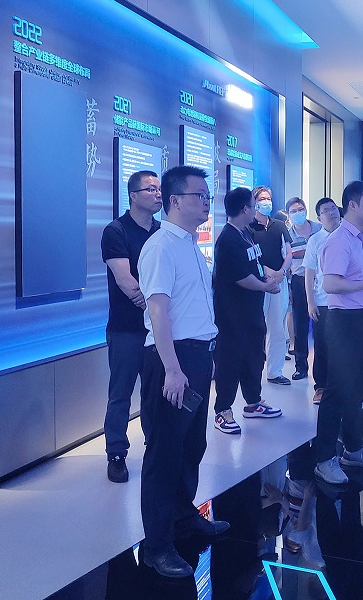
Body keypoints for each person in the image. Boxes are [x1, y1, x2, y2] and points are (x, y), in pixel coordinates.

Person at [137, 165, 229, 578]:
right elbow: (157, 311)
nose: (207, 202)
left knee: (192, 445)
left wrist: (207, 355)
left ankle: (183, 517)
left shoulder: (190, 244)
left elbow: (193, 307)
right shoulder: (161, 247)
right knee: (164, 453)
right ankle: (156, 546)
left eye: (208, 196)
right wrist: (173, 370)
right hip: (170, 360)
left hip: (196, 356)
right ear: (175, 201)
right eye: (199, 196)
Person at [314, 181, 363, 485]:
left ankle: (353, 449)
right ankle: (324, 459)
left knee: (357, 389)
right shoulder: (340, 240)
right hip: (344, 322)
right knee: (337, 391)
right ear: (353, 205)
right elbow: (331, 284)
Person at [101, 170, 162, 483]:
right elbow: (125, 281)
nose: (158, 194)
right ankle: (116, 453)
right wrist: (155, 307)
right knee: (121, 394)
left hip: (157, 330)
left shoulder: (162, 232)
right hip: (126, 328)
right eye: (150, 189)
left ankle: (156, 447)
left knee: (154, 393)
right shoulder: (116, 231)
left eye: (159, 189)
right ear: (133, 195)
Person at [211, 187, 285, 435]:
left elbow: (255, 265)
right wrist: (266, 286)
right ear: (245, 209)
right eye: (254, 205)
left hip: (252, 312)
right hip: (232, 316)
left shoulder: (246, 234)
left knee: (253, 357)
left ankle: (253, 402)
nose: (257, 209)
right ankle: (223, 411)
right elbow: (239, 276)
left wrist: (267, 278)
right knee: (230, 362)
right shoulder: (228, 239)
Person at [250, 186, 293, 385]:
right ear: (255, 202)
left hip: (279, 282)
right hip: (257, 283)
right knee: (256, 328)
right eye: (262, 198)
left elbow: (288, 252)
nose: (266, 201)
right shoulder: (248, 226)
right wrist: (267, 272)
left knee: (277, 328)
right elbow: (250, 255)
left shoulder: (279, 225)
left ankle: (275, 371)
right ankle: (252, 372)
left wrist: (281, 272)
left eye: (268, 198)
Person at [303, 197, 341, 405]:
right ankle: (321, 387)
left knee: (346, 345)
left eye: (334, 208)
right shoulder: (315, 240)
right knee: (323, 346)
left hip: (347, 301)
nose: (332, 212)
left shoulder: (350, 235)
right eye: (326, 210)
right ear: (319, 217)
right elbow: (309, 273)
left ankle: (350, 384)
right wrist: (310, 301)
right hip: (323, 301)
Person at [284, 196, 322, 381]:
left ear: (306, 210)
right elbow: (286, 262)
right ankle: (301, 367)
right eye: (293, 211)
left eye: (300, 209)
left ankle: (323, 368)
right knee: (300, 325)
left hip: (320, 280)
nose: (297, 213)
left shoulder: (319, 229)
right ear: (288, 215)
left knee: (321, 323)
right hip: (299, 280)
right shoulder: (287, 235)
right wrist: (289, 288)